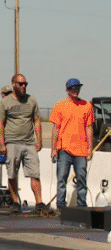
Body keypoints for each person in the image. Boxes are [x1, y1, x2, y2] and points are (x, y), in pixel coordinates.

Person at [0, 74, 44, 213]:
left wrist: (39, 140)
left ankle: (39, 203)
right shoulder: (5, 103)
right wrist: (2, 144)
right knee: (12, 173)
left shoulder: (31, 100)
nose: (24, 86)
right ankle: (15, 202)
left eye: (25, 84)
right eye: (21, 84)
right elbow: (1, 124)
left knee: (34, 173)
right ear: (14, 84)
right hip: (12, 142)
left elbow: (37, 121)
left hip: (29, 143)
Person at [49, 78, 94, 211]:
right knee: (62, 178)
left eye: (77, 88)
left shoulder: (87, 105)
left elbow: (89, 128)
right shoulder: (60, 105)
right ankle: (61, 206)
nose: (76, 90)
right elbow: (55, 128)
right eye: (73, 88)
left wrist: (90, 148)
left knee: (81, 178)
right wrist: (53, 149)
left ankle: (82, 205)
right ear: (67, 90)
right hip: (64, 149)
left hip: (81, 150)